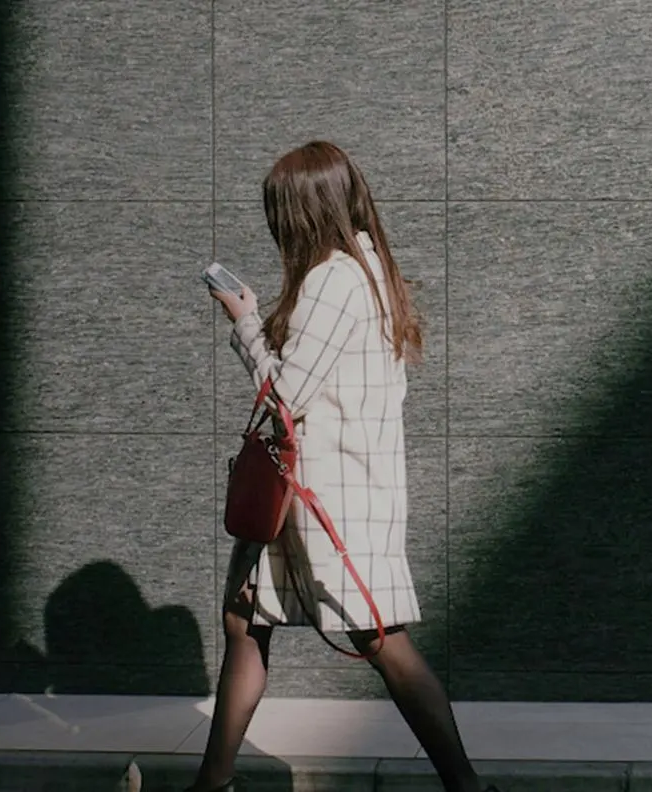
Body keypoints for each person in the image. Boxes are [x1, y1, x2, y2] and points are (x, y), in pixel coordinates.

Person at [190, 141, 492, 792]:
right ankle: (211, 784)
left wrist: (245, 321)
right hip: (330, 492)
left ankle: (467, 787)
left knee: (382, 641)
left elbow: (285, 397)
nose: (275, 226)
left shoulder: (334, 279)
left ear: (303, 211)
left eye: (279, 213)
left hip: (328, 499)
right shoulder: (369, 268)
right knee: (245, 618)